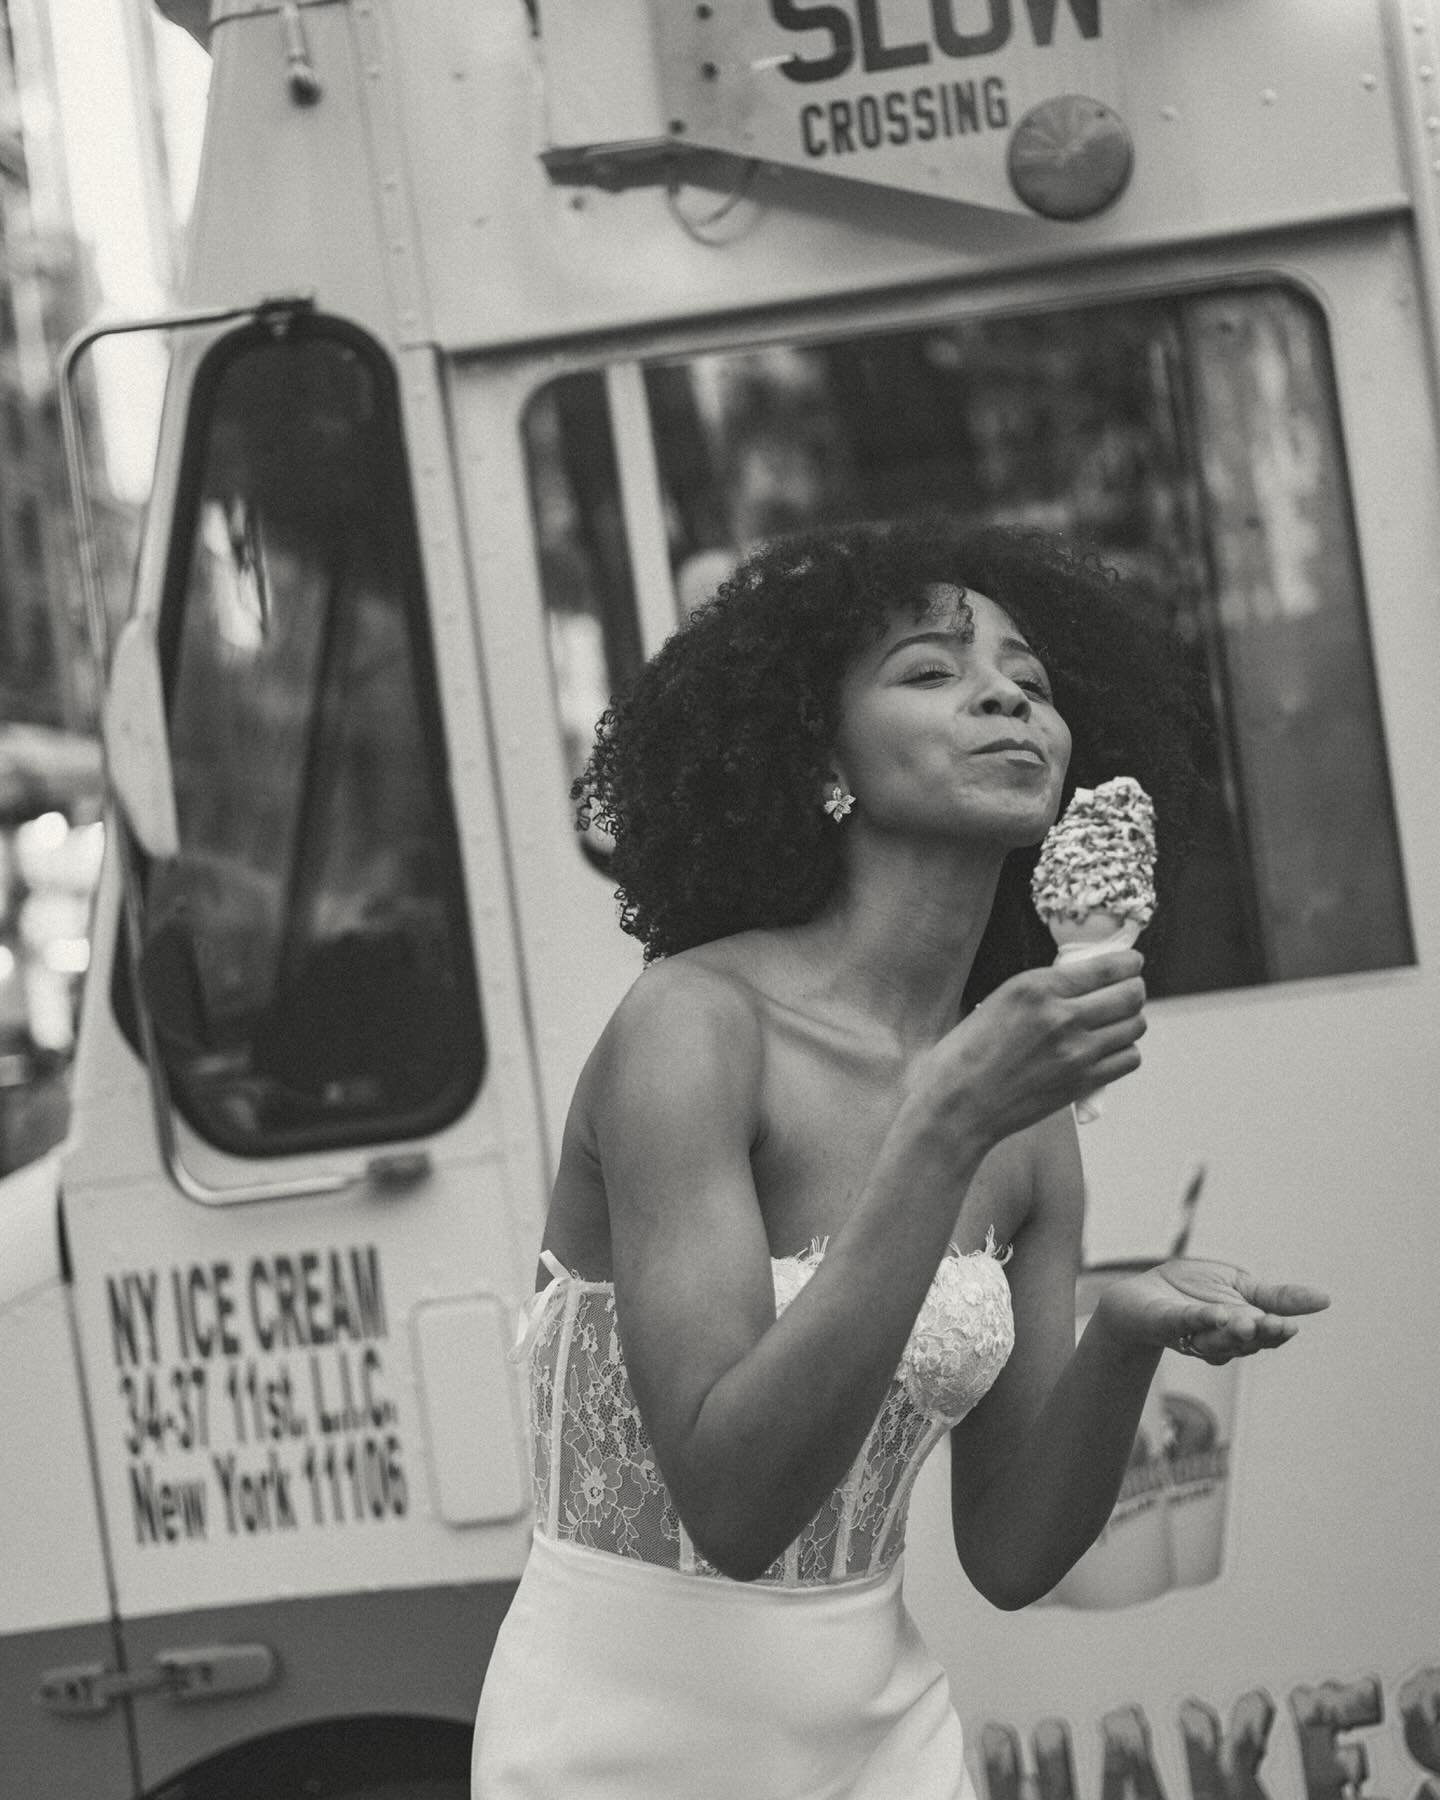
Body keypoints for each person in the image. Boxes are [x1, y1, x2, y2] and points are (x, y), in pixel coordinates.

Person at [471, 518, 1328, 1799]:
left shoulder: (1023, 1115)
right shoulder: (698, 1028)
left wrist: (1125, 1339)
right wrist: (942, 1125)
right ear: (821, 760)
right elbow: (734, 1504)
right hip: (616, 1750)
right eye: (930, 672)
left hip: (888, 1747)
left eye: (1031, 685)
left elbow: (1011, 1551)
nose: (1002, 694)